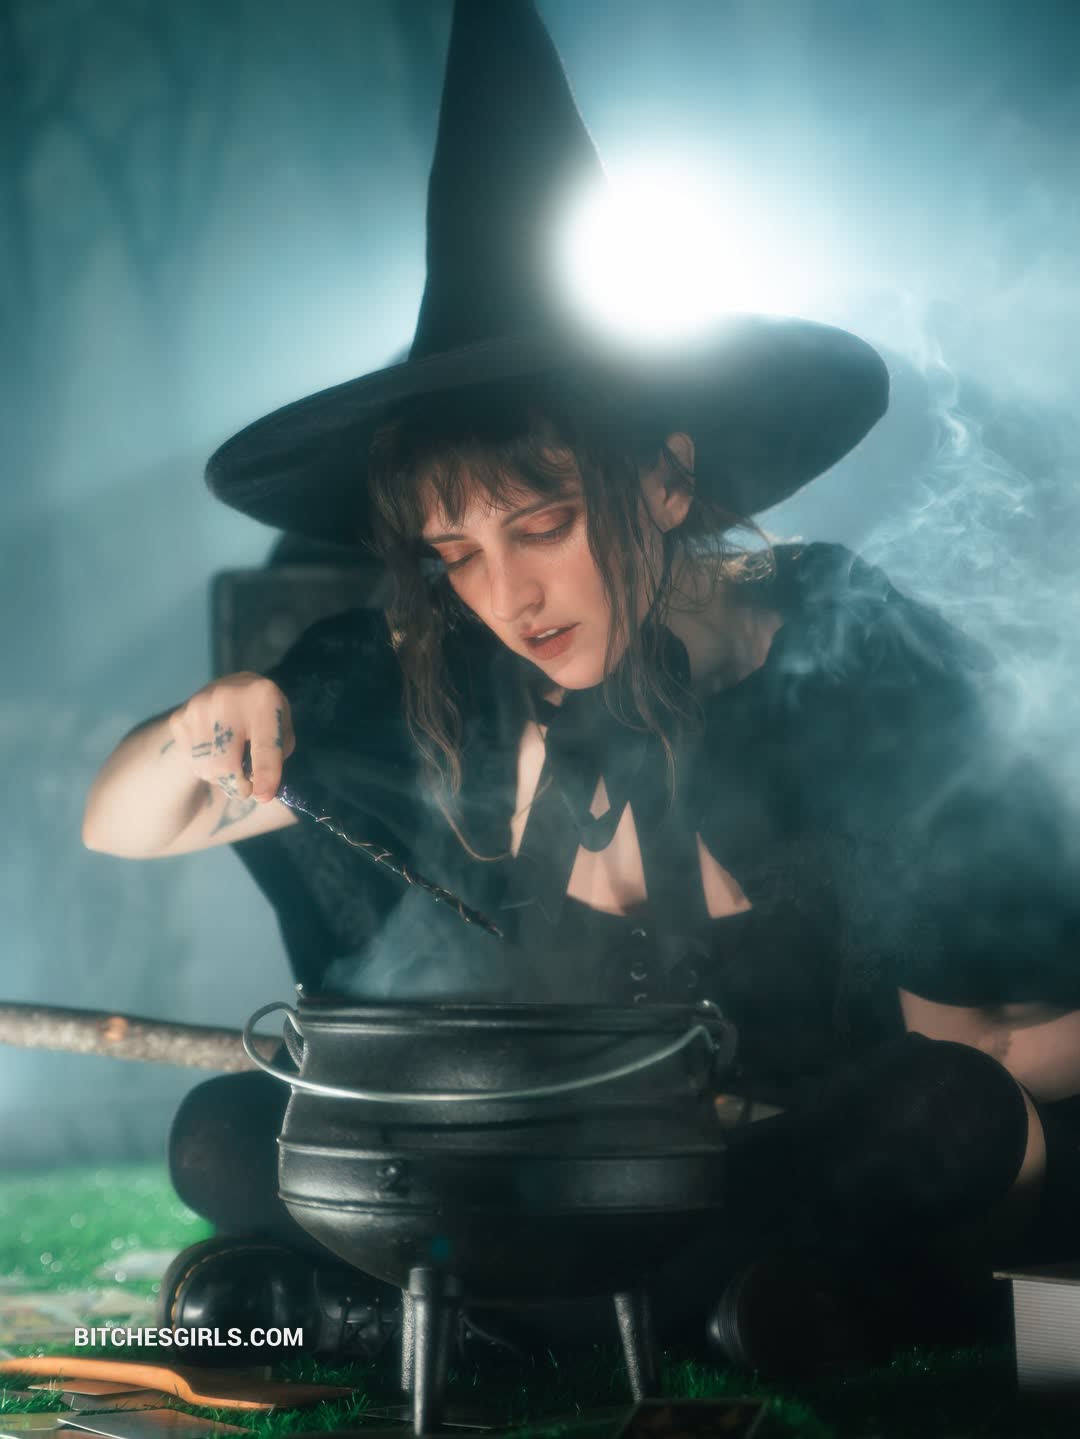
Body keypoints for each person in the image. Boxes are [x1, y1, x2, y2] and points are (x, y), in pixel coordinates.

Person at [82, 0, 1080, 1377]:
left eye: (542, 524)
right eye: (455, 553)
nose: (508, 596)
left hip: (782, 1166)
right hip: (538, 1183)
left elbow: (989, 1049)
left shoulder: (843, 659)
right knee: (224, 1134)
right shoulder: (427, 671)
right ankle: (695, 1322)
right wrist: (207, 725)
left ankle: (455, 1326)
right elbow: (124, 823)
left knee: (952, 1118)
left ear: (665, 478)